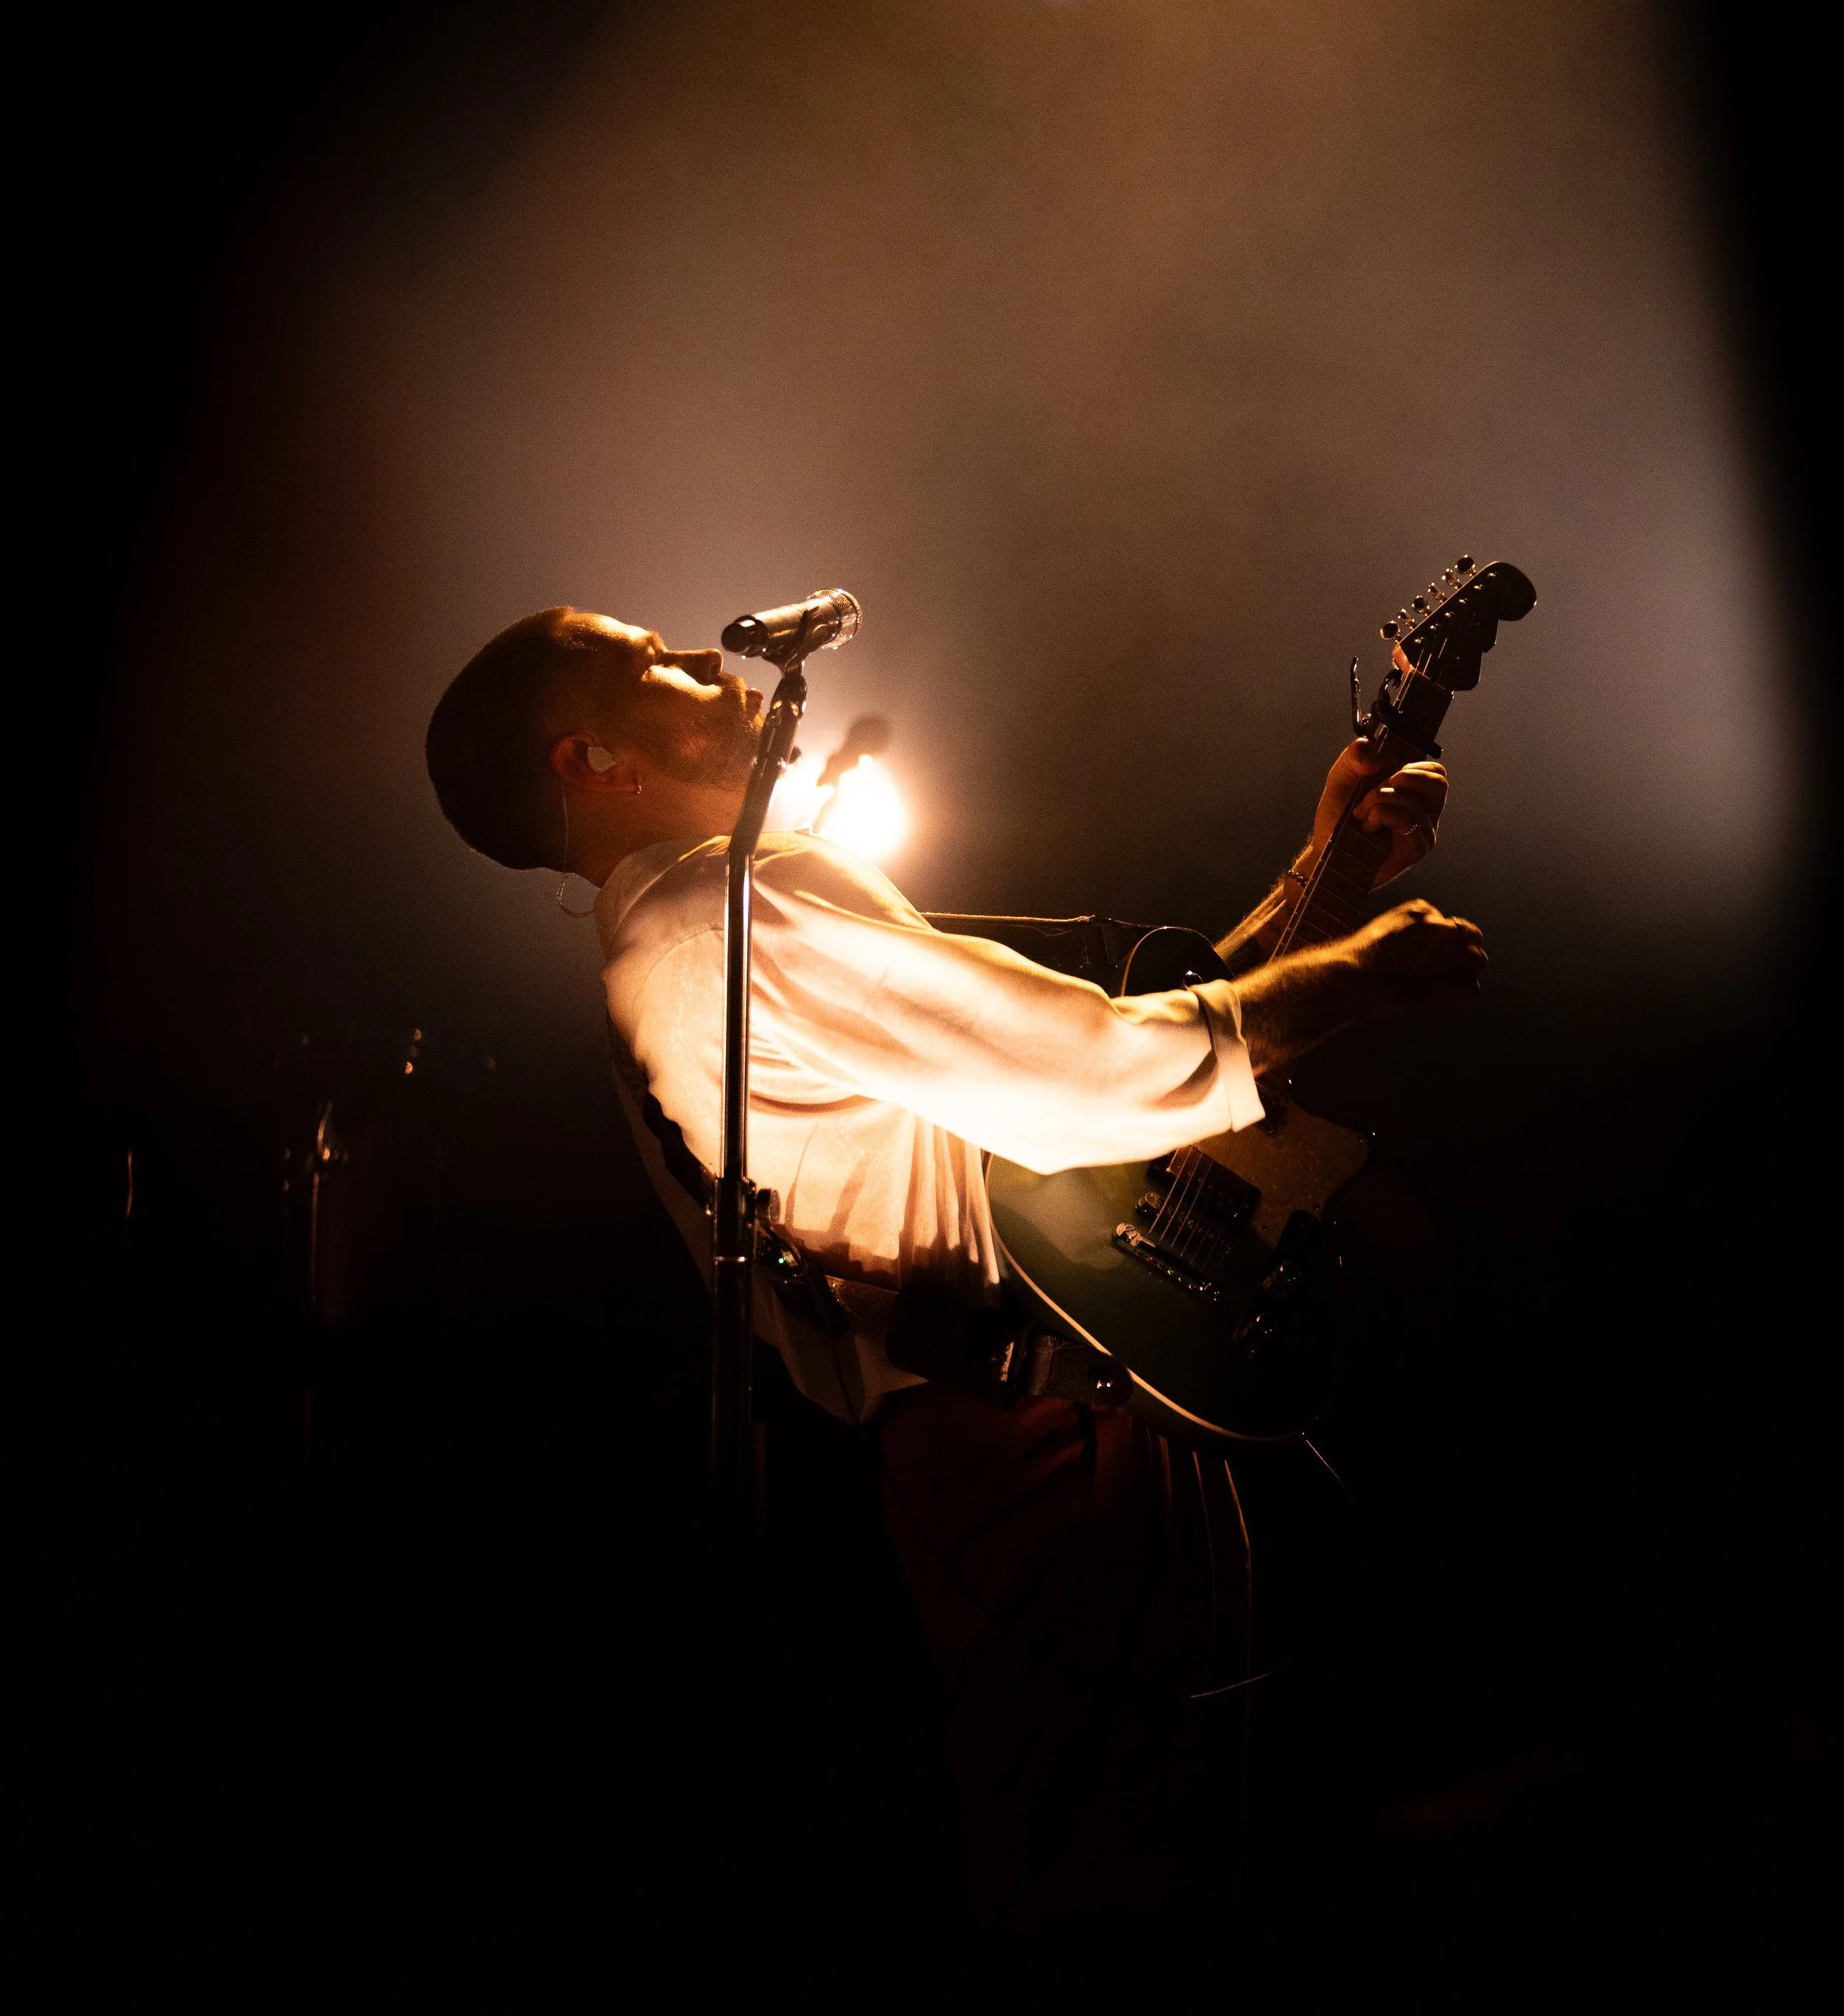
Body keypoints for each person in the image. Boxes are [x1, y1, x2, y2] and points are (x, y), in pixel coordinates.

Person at [425, 606, 1480, 1942]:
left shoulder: (699, 928)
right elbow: (1086, 1074)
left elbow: (1065, 1067)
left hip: (1029, 1419)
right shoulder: (721, 918)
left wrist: (1320, 873)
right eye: (662, 664)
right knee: (1114, 1887)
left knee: (1141, 1846)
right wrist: (1352, 981)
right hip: (1032, 1440)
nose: (717, 667)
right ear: (591, 757)